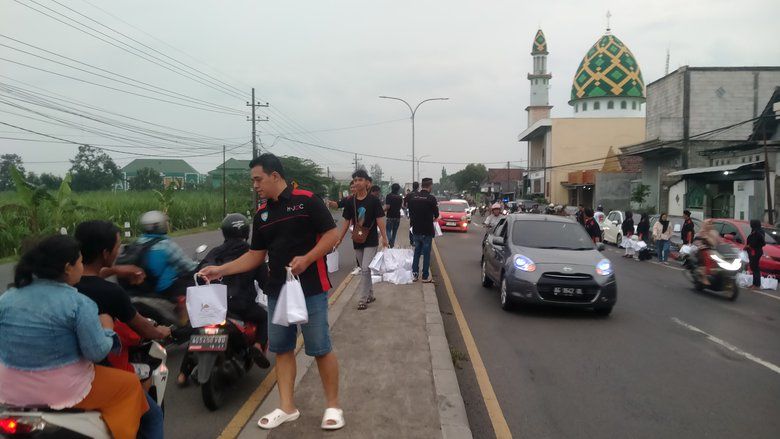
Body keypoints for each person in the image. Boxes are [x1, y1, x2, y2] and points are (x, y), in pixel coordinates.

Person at [197, 153, 344, 431]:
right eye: (253, 180)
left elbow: (331, 235)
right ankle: (287, 407)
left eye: (258, 179)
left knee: (320, 348)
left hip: (311, 289)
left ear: (274, 176)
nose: (255, 185)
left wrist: (308, 259)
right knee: (282, 349)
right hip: (277, 291)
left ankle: (333, 406)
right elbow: (255, 256)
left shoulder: (307, 201)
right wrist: (220, 270)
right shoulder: (262, 214)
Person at [0, 235, 149, 439]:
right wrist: (108, 331)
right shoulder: (79, 303)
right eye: (80, 261)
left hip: (10, 388)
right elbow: (96, 352)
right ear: (68, 267)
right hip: (61, 390)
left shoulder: (7, 298)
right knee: (129, 384)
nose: (82, 266)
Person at [73, 220, 168, 439]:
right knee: (152, 417)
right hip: (95, 375)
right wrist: (160, 331)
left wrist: (116, 269)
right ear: (106, 253)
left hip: (54, 378)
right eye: (117, 247)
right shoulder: (110, 293)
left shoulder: (64, 283)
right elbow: (142, 327)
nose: (119, 251)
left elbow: (89, 276)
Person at [179, 213, 271, 385]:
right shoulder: (252, 255)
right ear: (246, 231)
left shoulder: (215, 252)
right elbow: (265, 284)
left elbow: (199, 272)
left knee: (198, 329)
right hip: (242, 306)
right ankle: (258, 346)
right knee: (264, 317)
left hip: (216, 306)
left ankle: (182, 374)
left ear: (224, 232)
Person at [336, 169, 388, 310]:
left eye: (360, 180)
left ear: (367, 183)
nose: (357, 182)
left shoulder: (373, 201)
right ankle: (370, 294)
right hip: (357, 238)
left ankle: (362, 299)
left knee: (365, 268)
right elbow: (346, 221)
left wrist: (384, 237)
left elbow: (380, 220)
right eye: (355, 180)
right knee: (364, 269)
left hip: (371, 239)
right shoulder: (350, 201)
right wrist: (340, 238)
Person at [134, 210, 198, 298]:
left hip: (143, 287)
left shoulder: (137, 242)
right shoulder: (165, 245)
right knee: (194, 286)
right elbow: (188, 266)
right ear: (160, 226)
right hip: (163, 289)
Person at [408, 178, 439, 283]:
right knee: (426, 253)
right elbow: (437, 215)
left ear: (422, 185)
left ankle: (415, 275)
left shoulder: (413, 198)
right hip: (427, 231)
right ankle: (425, 276)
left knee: (416, 252)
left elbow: (410, 214)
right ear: (430, 186)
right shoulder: (431, 199)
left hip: (416, 229)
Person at [746, 219, 766, 290]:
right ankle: (755, 284)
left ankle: (756, 285)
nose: (750, 225)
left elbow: (758, 242)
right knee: (754, 267)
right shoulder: (755, 230)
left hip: (756, 251)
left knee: (755, 268)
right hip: (754, 251)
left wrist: (749, 246)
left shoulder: (758, 232)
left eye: (751, 223)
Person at [385, 183, 403, 248]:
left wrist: (383, 211)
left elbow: (387, 207)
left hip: (390, 216)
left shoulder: (389, 196)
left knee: (388, 230)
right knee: (394, 232)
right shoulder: (400, 197)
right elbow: (400, 207)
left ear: (391, 188)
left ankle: (390, 241)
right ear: (398, 189)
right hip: (397, 216)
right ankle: (392, 244)